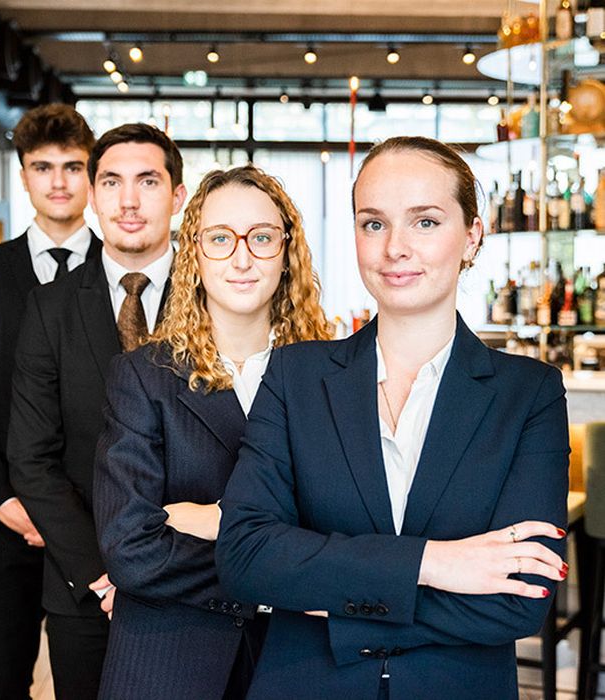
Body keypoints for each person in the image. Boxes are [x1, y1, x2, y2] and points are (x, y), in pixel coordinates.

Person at [215, 136, 570, 700]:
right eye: (373, 224)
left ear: (473, 235)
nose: (395, 249)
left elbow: (520, 597)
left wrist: (329, 601)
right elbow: (246, 557)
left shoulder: (528, 393)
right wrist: (436, 562)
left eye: (425, 222)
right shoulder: (293, 377)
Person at [92, 165, 331, 700]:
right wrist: (293, 568)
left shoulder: (330, 375)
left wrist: (213, 521)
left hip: (295, 663)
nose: (242, 258)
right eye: (220, 239)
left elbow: (355, 527)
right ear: (194, 253)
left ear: (286, 251)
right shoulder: (143, 375)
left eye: (262, 238)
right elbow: (131, 550)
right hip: (170, 662)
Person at [6, 122, 186, 700]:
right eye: (111, 181)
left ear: (178, 195)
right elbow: (32, 458)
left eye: (148, 181)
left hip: (200, 580)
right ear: (93, 192)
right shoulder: (50, 307)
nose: (128, 201)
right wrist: (104, 574)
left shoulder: (217, 297)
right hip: (85, 586)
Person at [0, 104, 98, 700]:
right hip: (5, 520)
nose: (58, 181)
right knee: (6, 676)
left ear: (90, 175)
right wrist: (2, 497)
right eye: (43, 167)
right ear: (24, 175)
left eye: (73, 166)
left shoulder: (123, 275)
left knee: (93, 676)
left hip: (93, 514)